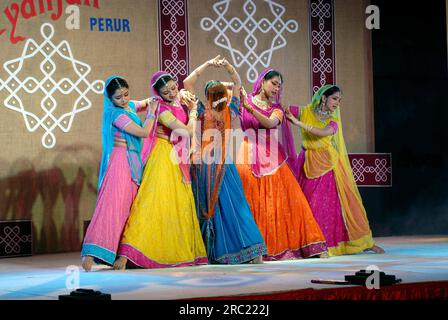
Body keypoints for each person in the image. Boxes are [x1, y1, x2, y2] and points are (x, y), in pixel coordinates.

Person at [114, 71, 207, 269]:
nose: (172, 93)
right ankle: (129, 254)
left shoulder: (178, 99)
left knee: (176, 206)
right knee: (153, 204)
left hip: (176, 158)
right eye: (166, 92)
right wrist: (192, 112)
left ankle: (172, 250)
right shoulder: (162, 110)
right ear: (158, 94)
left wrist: (188, 102)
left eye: (174, 88)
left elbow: (188, 88)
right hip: (163, 158)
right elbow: (185, 131)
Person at [235, 68, 328, 260]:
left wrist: (250, 108)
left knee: (283, 202)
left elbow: (269, 124)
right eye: (274, 83)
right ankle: (253, 249)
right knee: (249, 201)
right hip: (247, 153)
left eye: (279, 85)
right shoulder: (246, 101)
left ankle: (306, 246)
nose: (277, 88)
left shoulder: (276, 109)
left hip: (272, 156)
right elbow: (236, 85)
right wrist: (228, 68)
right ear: (262, 82)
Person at [184, 56, 267, 264]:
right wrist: (228, 67)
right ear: (224, 96)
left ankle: (217, 252)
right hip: (223, 164)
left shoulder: (202, 111)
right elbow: (238, 84)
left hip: (205, 165)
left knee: (217, 208)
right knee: (234, 206)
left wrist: (207, 64)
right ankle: (250, 252)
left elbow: (187, 83)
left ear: (207, 96)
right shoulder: (230, 110)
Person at [285, 84, 385, 256]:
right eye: (334, 98)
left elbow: (323, 132)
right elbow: (282, 109)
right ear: (324, 97)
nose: (337, 103)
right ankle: (309, 244)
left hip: (327, 165)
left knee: (325, 206)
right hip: (307, 164)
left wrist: (298, 123)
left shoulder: (333, 120)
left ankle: (352, 243)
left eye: (339, 100)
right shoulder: (305, 111)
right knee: (305, 204)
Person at [81, 76, 158, 271]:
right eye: (118, 97)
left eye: (126, 94)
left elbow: (142, 102)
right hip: (120, 163)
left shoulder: (128, 106)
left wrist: (155, 99)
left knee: (127, 209)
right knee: (112, 207)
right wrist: (151, 114)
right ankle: (91, 254)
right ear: (110, 99)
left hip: (131, 163)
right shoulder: (116, 114)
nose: (123, 99)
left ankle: (122, 253)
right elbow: (142, 132)